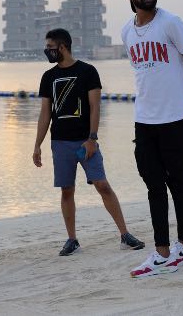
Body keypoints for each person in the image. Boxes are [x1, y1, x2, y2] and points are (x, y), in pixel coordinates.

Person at [120, 0, 183, 278]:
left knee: (177, 179)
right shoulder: (127, 32)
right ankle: (162, 251)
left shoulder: (171, 22)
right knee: (153, 183)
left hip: (174, 117)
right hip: (144, 118)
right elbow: (148, 74)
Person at [33, 28, 145, 256]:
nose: (47, 51)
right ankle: (72, 239)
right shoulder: (48, 77)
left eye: (50, 47)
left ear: (62, 47)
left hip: (85, 141)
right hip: (60, 142)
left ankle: (125, 234)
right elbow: (45, 113)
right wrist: (37, 145)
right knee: (66, 190)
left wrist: (92, 138)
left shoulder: (87, 71)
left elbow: (95, 107)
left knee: (102, 185)